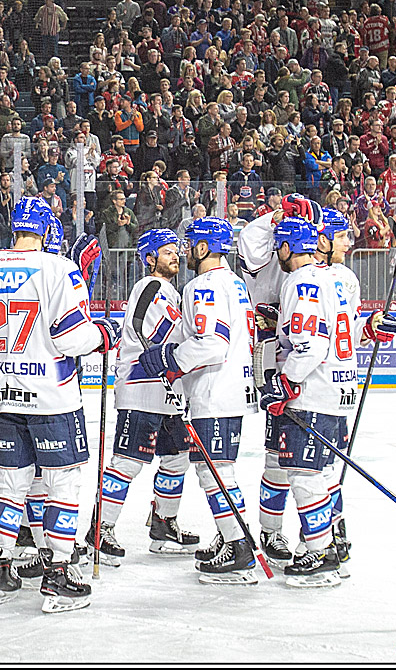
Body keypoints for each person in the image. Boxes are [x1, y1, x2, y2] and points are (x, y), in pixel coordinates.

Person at [0, 197, 120, 613]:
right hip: (51, 396)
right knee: (62, 484)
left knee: (10, 482)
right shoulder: (59, 268)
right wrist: (103, 333)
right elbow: (71, 339)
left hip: (0, 393)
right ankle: (57, 573)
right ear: (47, 230)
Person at [261, 216, 393, 585]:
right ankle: (330, 545)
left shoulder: (300, 281)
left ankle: (318, 554)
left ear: (287, 248)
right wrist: (368, 329)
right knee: (323, 475)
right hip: (339, 391)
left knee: (305, 476)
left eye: (278, 247)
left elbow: (313, 344)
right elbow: (339, 331)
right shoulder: (331, 279)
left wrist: (285, 381)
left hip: (313, 392)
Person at [135, 217, 259, 584]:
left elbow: (212, 342)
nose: (187, 251)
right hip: (234, 390)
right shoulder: (235, 283)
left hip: (213, 392)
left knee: (214, 472)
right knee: (220, 470)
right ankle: (231, 537)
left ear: (205, 248)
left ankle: (239, 549)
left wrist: (170, 359)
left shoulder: (203, 285)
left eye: (191, 244)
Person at [92, 228, 200, 564]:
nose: (175, 256)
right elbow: (145, 328)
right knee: (127, 463)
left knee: (177, 458)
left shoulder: (172, 291)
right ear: (150, 258)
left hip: (168, 392)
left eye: (175, 251)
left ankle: (164, 524)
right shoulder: (150, 286)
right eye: (167, 251)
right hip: (141, 388)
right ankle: (100, 529)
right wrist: (183, 349)